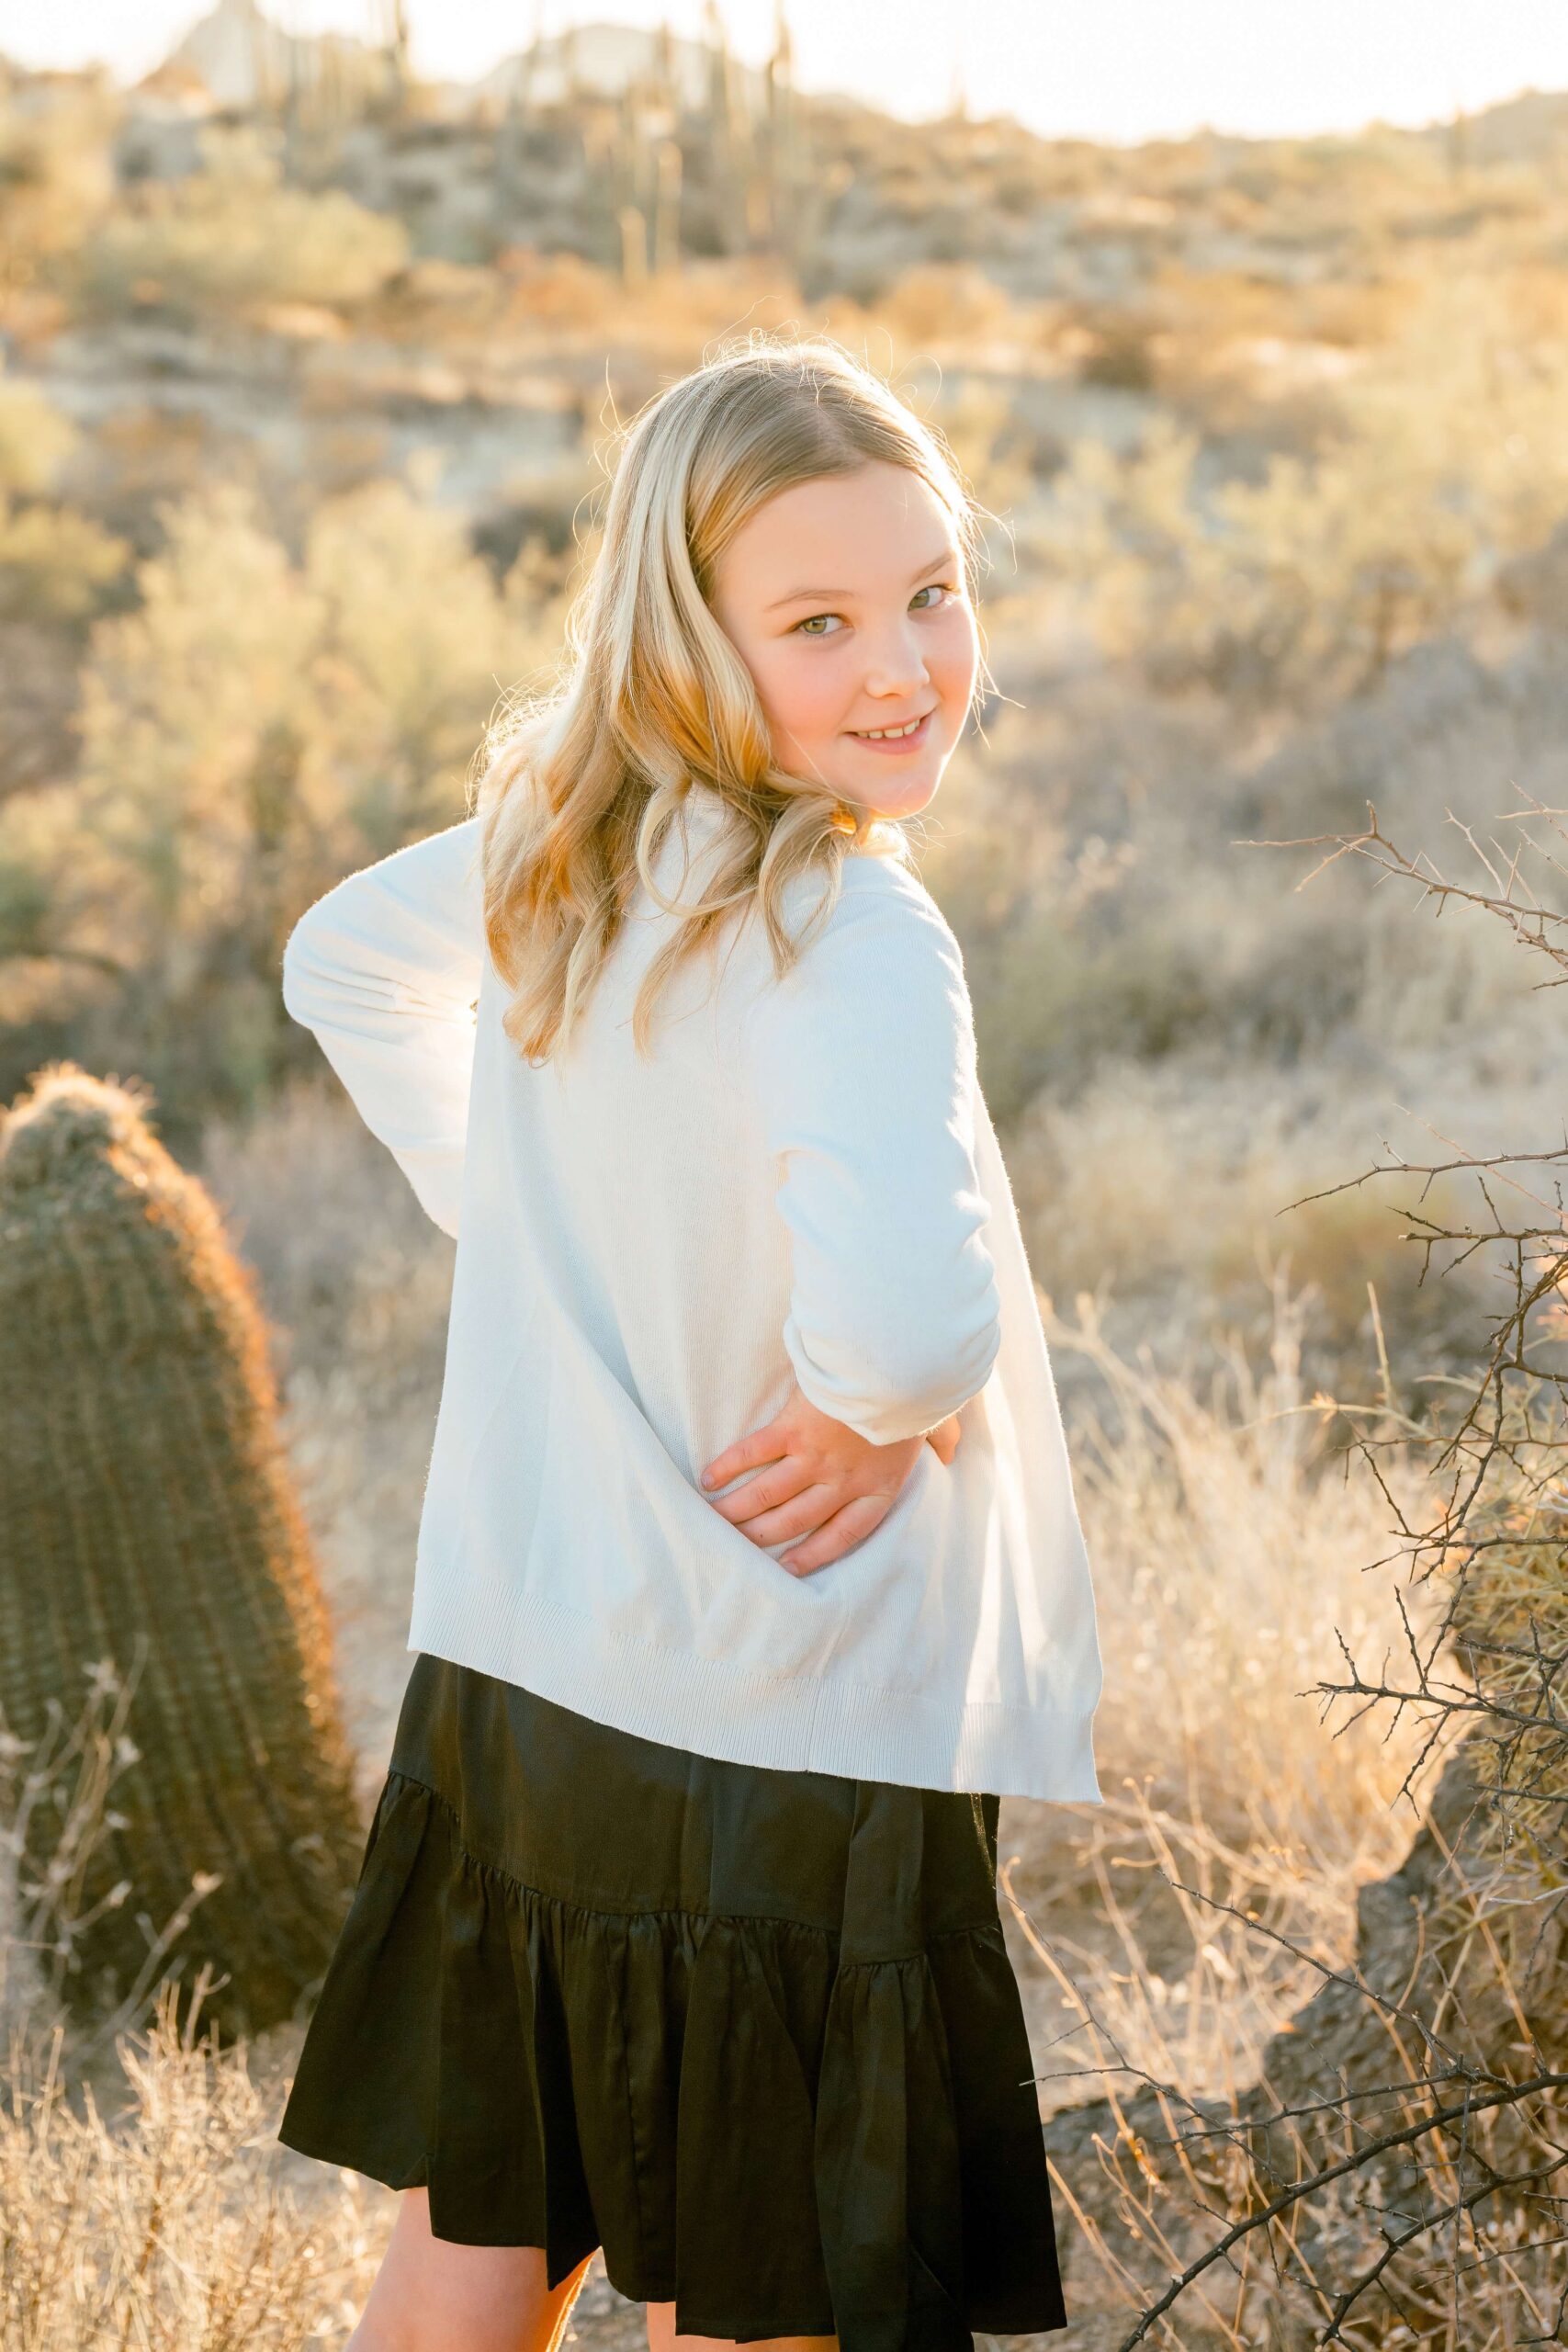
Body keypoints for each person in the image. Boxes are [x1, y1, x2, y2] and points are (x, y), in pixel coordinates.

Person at [274, 332, 1103, 2352]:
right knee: (770, 2277)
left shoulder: (579, 840)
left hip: (534, 1678)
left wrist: (520, 1211)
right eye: (817, 620)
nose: (904, 661)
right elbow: (908, 1323)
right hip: (790, 1709)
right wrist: (878, 1403)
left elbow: (338, 957)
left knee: (488, 2214)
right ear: (688, 641)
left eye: (929, 589)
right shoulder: (851, 916)